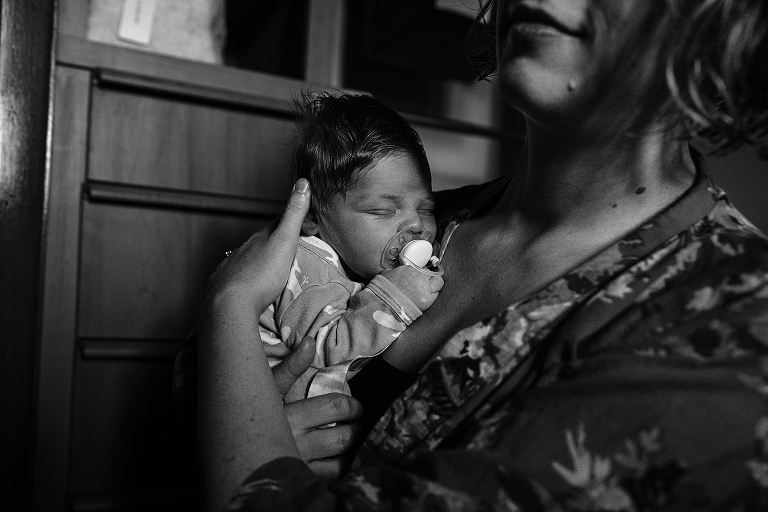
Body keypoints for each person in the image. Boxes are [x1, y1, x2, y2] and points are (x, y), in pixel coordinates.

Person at [186, 0, 768, 510]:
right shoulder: (408, 222)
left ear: (712, 19)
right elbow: (207, 381)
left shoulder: (729, 320)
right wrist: (260, 429)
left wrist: (230, 304)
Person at [259, 92, 444, 403]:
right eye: (383, 211)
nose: (416, 225)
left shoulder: (360, 261)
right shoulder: (303, 265)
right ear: (313, 217)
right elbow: (324, 350)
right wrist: (393, 299)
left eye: (425, 209)